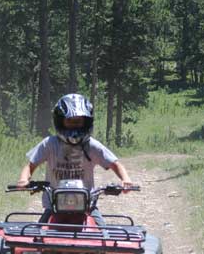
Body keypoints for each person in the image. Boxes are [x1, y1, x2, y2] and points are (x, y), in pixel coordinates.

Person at [17, 93, 133, 224]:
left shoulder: (91, 145)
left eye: (78, 121)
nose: (74, 125)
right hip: (54, 205)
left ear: (86, 122)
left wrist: (125, 179)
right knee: (37, 236)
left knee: (103, 235)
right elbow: (30, 166)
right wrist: (24, 179)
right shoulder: (49, 144)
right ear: (60, 121)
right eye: (69, 121)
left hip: (87, 205)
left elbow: (115, 164)